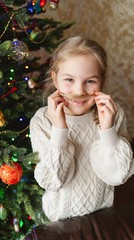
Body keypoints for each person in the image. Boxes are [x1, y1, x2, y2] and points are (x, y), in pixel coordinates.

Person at [30, 36, 134, 222]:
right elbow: (53, 181)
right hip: (58, 222)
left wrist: (107, 130)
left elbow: (118, 176)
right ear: (55, 78)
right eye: (69, 79)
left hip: (102, 217)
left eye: (90, 81)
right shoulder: (43, 120)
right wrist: (59, 130)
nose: (79, 90)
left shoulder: (112, 114)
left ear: (102, 80)